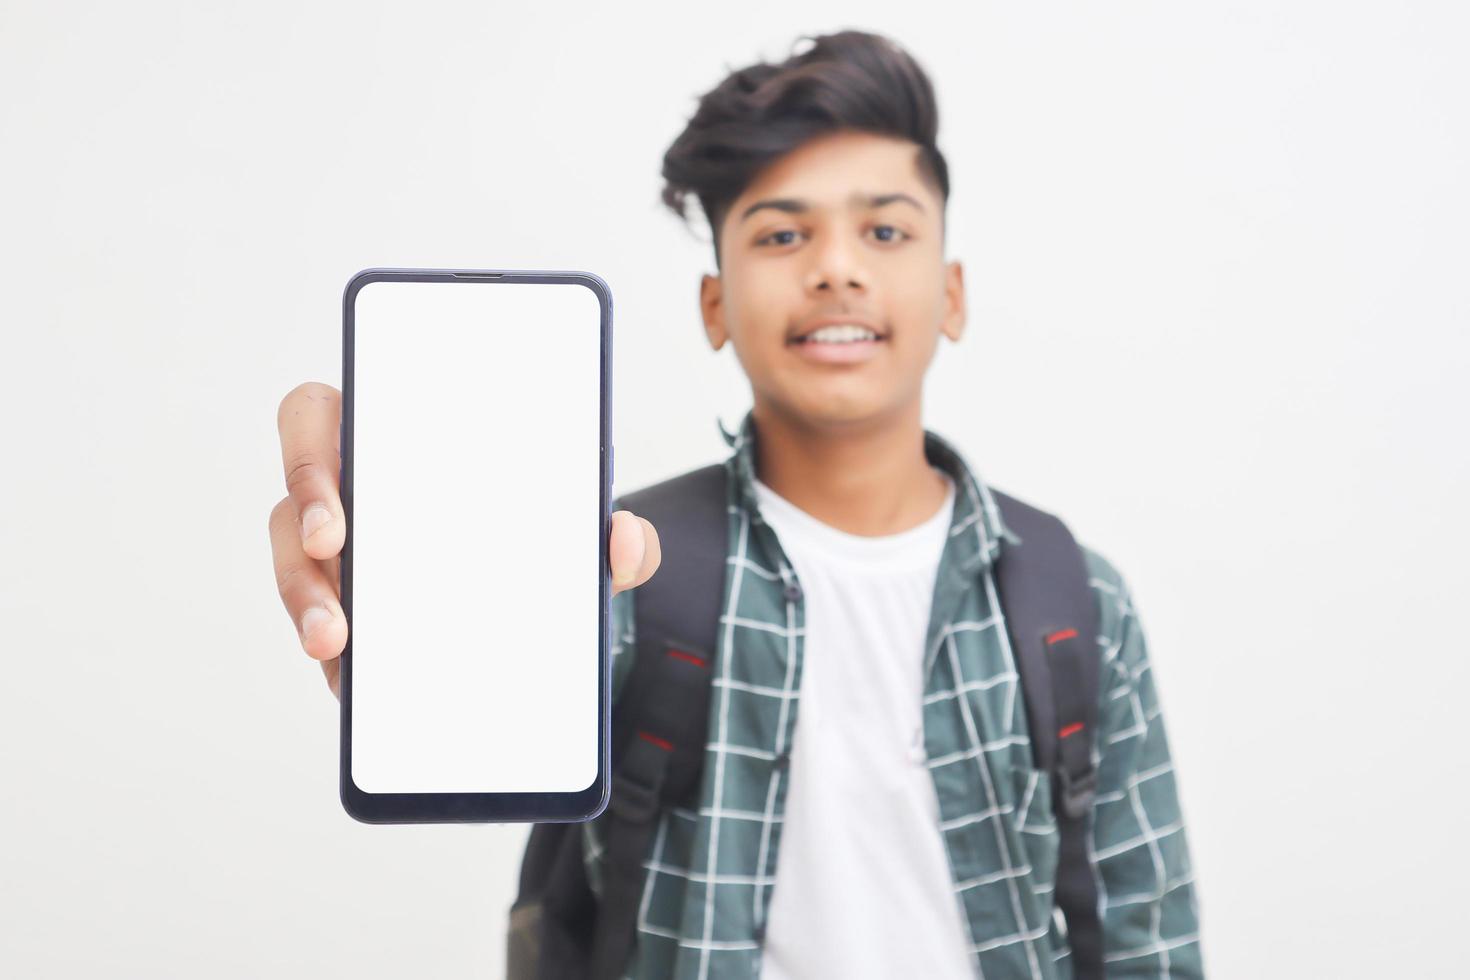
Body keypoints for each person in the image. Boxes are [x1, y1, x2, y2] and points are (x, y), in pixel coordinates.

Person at [268, 28, 1202, 980]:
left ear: (952, 293)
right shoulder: (618, 567)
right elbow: (461, 720)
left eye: (885, 229)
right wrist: (390, 585)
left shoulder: (1074, 599)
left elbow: (1149, 942)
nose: (836, 268)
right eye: (782, 233)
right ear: (713, 305)